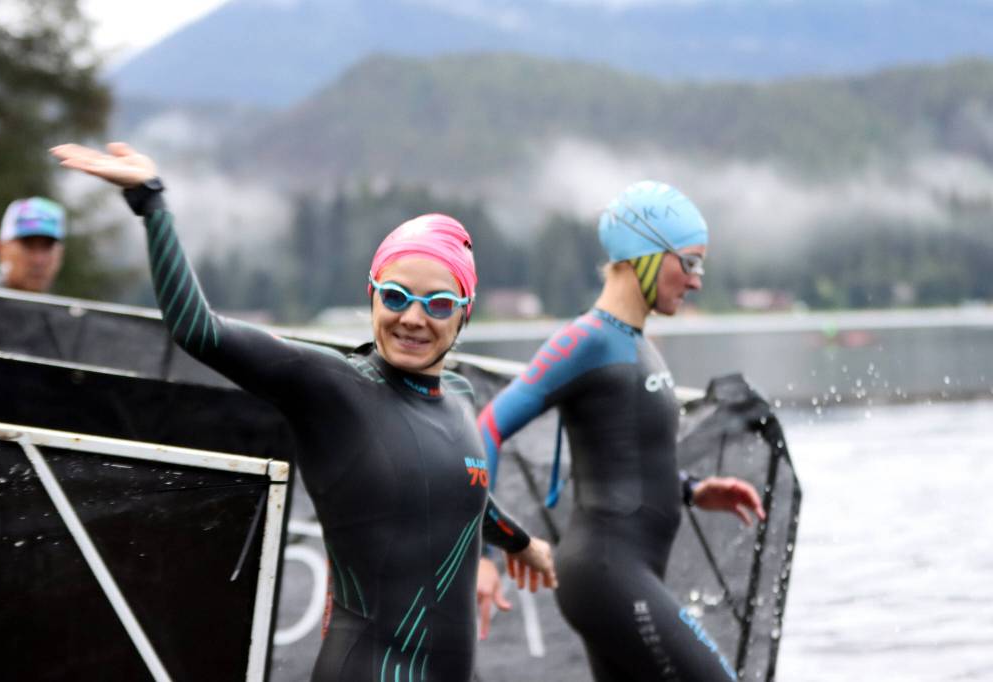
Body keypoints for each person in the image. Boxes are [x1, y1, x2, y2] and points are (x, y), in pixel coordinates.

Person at [50, 142, 556, 682]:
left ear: (463, 317)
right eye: (395, 295)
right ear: (371, 296)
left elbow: (462, 485)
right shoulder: (331, 387)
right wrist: (150, 201)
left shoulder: (458, 395)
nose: (412, 318)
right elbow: (198, 329)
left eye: (438, 304)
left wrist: (523, 543)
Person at [474, 181, 766, 680]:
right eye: (689, 263)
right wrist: (482, 551)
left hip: (624, 571)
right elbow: (486, 430)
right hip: (607, 572)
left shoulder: (633, 342)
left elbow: (620, 460)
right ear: (644, 256)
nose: (696, 281)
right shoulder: (586, 340)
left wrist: (692, 491)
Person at [0, 197, 66, 293]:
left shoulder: (70, 306)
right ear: (1, 249)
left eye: (47, 247)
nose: (38, 260)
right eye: (28, 245)